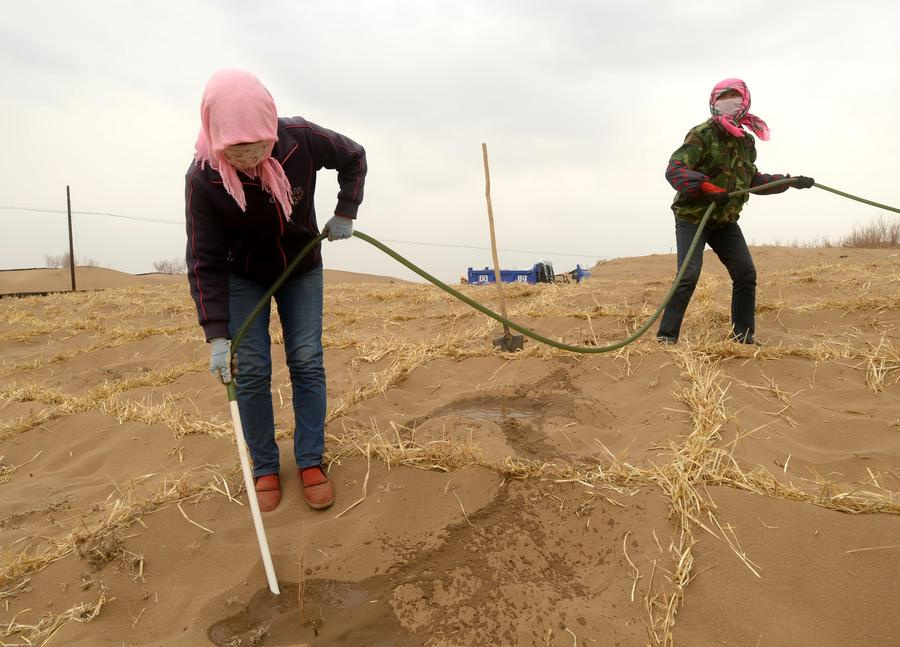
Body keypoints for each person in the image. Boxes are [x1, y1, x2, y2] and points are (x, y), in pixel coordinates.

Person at [185, 69, 367, 512]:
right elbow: (203, 258)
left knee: (306, 358)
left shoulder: (300, 138)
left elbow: (354, 156)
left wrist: (346, 210)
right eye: (238, 153)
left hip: (301, 267)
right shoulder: (202, 177)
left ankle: (309, 461)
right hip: (242, 276)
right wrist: (216, 334)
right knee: (250, 368)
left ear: (271, 131)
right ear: (217, 138)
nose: (250, 160)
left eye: (259, 149)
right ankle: (265, 467)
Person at [657, 78, 813, 345]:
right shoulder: (702, 134)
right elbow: (675, 169)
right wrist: (705, 186)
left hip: (725, 221)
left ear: (745, 101)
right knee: (688, 275)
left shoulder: (746, 142)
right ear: (713, 102)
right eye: (723, 97)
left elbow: (751, 180)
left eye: (734, 97)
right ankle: (666, 337)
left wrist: (788, 182)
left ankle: (743, 336)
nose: (729, 102)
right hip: (693, 217)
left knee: (745, 274)